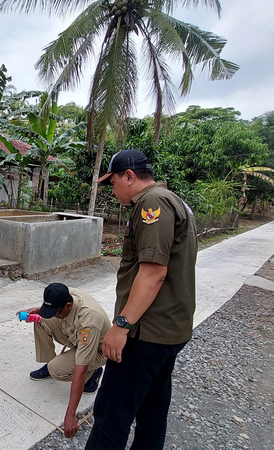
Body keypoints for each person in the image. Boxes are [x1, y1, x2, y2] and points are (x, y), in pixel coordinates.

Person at [86, 148, 198, 449]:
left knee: (112, 412)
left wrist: (120, 326)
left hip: (145, 331)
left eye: (113, 183)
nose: (113, 190)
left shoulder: (152, 203)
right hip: (168, 328)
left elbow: (153, 273)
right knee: (152, 409)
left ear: (130, 176)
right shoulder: (175, 200)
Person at [19, 283, 111, 439]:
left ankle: (94, 371)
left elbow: (80, 371)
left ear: (68, 305)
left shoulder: (89, 319)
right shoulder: (66, 294)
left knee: (58, 370)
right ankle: (50, 363)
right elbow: (50, 309)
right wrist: (39, 311)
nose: (53, 314)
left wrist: (70, 415)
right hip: (74, 334)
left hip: (97, 350)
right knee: (41, 320)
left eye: (55, 312)